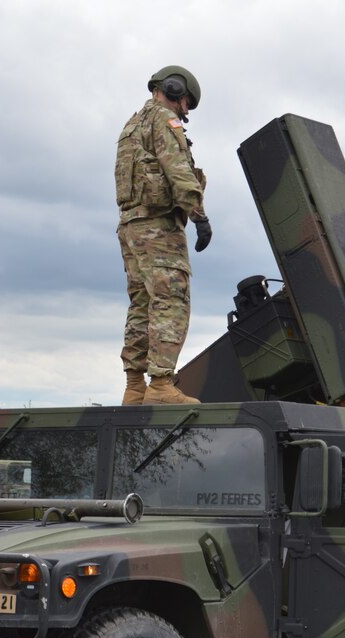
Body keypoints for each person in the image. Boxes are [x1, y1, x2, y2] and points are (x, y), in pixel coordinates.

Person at [115, 65, 212, 405]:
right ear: (172, 89)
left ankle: (134, 387)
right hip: (158, 228)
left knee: (141, 304)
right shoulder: (163, 120)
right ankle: (160, 386)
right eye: (186, 101)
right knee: (170, 300)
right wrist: (199, 215)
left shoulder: (133, 123)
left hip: (131, 227)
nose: (185, 110)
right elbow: (178, 170)